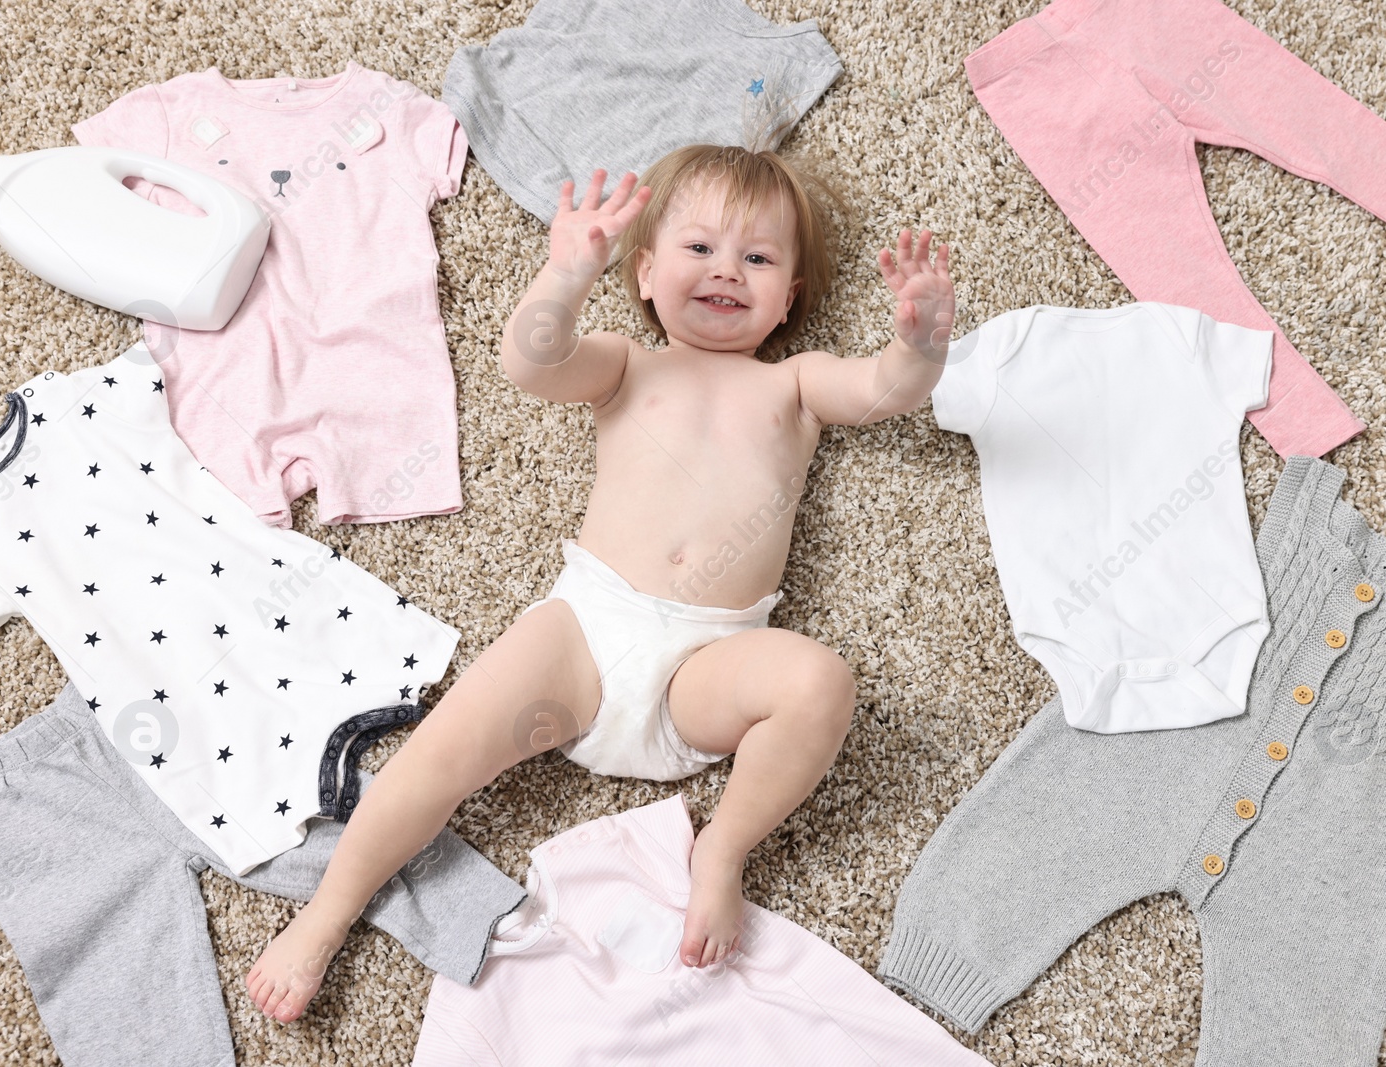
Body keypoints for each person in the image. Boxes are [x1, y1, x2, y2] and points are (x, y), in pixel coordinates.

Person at [246, 144, 955, 1021]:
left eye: (759, 259)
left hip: (706, 667)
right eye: (699, 249)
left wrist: (919, 343)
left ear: (791, 299)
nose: (727, 271)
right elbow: (533, 364)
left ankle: (722, 851)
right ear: (647, 271)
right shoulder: (627, 363)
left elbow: (886, 389)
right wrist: (565, 273)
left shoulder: (796, 385)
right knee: (443, 747)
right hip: (586, 633)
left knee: (820, 682)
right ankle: (328, 912)